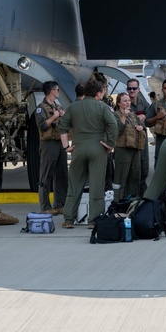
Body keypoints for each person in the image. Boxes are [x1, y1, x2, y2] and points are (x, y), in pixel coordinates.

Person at [59, 79, 118, 229]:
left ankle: (69, 219)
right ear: (99, 93)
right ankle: (93, 220)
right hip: (98, 148)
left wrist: (66, 147)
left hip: (78, 147)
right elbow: (113, 125)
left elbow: (63, 127)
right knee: (97, 185)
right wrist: (110, 144)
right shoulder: (103, 107)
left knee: (74, 184)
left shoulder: (73, 107)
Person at [35, 82, 68, 214]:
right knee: (46, 175)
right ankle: (45, 206)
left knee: (62, 174)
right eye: (57, 90)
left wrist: (62, 115)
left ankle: (59, 204)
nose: (58, 92)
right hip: (48, 144)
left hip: (59, 142)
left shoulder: (57, 106)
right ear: (51, 91)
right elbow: (42, 125)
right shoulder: (40, 108)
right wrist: (54, 117)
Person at [112, 92, 144, 201]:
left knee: (135, 176)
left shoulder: (133, 115)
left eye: (129, 100)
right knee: (121, 177)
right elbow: (117, 129)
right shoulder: (115, 115)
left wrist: (140, 127)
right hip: (122, 150)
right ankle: (117, 201)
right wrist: (124, 116)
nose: (128, 103)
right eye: (125, 101)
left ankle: (132, 200)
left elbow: (141, 125)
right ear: (119, 103)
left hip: (135, 149)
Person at [125, 78, 151, 195]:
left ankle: (142, 195)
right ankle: (130, 196)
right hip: (128, 142)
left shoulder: (143, 103)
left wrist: (144, 117)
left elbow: (150, 116)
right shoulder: (123, 102)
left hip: (141, 141)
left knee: (144, 167)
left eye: (134, 88)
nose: (132, 91)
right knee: (130, 170)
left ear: (138, 89)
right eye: (129, 88)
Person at [147, 78, 166, 165]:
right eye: (165, 88)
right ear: (162, 90)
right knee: (160, 167)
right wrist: (157, 117)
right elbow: (147, 122)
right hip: (161, 140)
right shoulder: (155, 105)